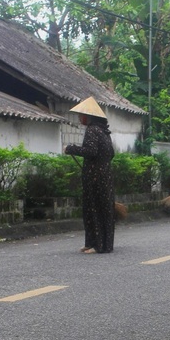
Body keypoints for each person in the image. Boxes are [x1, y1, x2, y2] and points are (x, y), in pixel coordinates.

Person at [64, 97, 115, 254]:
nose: (80, 118)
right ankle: (100, 244)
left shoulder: (92, 130)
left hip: (94, 178)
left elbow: (90, 151)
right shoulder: (104, 132)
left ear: (89, 117)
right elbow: (110, 154)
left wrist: (71, 148)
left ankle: (97, 245)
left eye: (81, 115)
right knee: (103, 209)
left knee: (93, 209)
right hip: (105, 175)